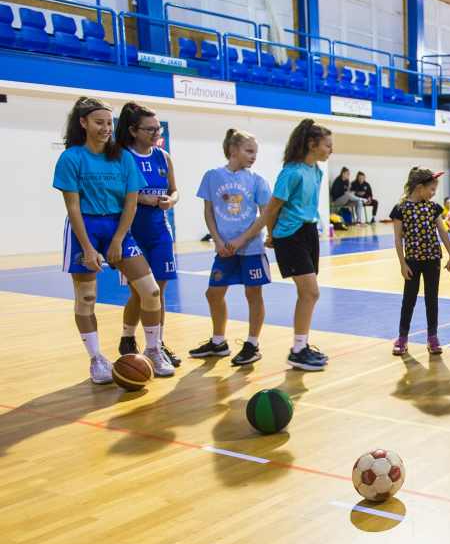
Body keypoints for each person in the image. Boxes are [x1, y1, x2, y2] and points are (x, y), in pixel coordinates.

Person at [53, 96, 170, 382]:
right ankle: (96, 359)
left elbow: (131, 202)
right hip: (85, 227)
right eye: (99, 122)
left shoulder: (122, 157)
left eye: (109, 123)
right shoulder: (71, 158)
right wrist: (88, 248)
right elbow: (73, 207)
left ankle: (153, 349)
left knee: (151, 291)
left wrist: (118, 239)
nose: (106, 128)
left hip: (118, 226)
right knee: (87, 297)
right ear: (83, 123)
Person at [190, 129, 272, 365]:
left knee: (253, 294)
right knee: (214, 293)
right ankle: (218, 342)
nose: (253, 156)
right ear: (233, 150)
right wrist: (217, 240)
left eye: (255, 152)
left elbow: (265, 215)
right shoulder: (212, 176)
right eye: (249, 151)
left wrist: (242, 239)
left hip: (251, 247)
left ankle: (252, 344)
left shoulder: (257, 180)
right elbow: (208, 212)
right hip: (224, 248)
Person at [262, 119, 332, 372]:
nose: (330, 150)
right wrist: (271, 235)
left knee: (308, 294)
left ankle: (301, 346)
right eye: (327, 145)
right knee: (311, 292)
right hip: (289, 236)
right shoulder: (291, 172)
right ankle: (297, 351)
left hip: (308, 232)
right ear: (312, 144)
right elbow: (272, 208)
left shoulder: (317, 171)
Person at [114, 101, 181, 368]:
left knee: (158, 291)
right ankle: (128, 336)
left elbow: (175, 190)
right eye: (150, 129)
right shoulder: (123, 157)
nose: (156, 133)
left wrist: (171, 200)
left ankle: (157, 344)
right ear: (133, 130)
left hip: (160, 231)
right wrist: (143, 199)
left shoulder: (163, 156)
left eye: (158, 128)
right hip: (132, 231)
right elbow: (117, 193)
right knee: (139, 291)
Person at [391, 167, 450, 357]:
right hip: (412, 262)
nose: (433, 193)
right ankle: (402, 338)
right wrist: (402, 264)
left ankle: (432, 337)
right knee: (409, 300)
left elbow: (443, 232)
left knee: (431, 299)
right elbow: (398, 239)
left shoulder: (433, 207)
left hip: (432, 260)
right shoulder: (400, 209)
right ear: (419, 188)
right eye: (431, 189)